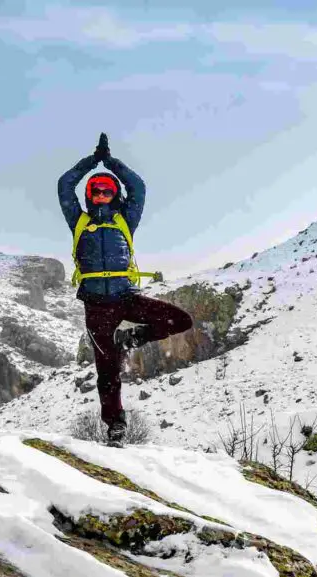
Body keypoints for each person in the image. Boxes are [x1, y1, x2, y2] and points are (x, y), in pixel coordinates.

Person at [58, 133, 193, 443]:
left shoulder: (125, 220)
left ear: (114, 194)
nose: (102, 194)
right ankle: (115, 426)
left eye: (107, 190)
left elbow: (139, 188)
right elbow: (65, 185)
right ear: (90, 196)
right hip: (95, 306)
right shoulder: (78, 220)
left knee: (180, 320)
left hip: (126, 297)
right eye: (96, 190)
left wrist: (111, 163)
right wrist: (92, 162)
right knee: (107, 372)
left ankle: (129, 338)